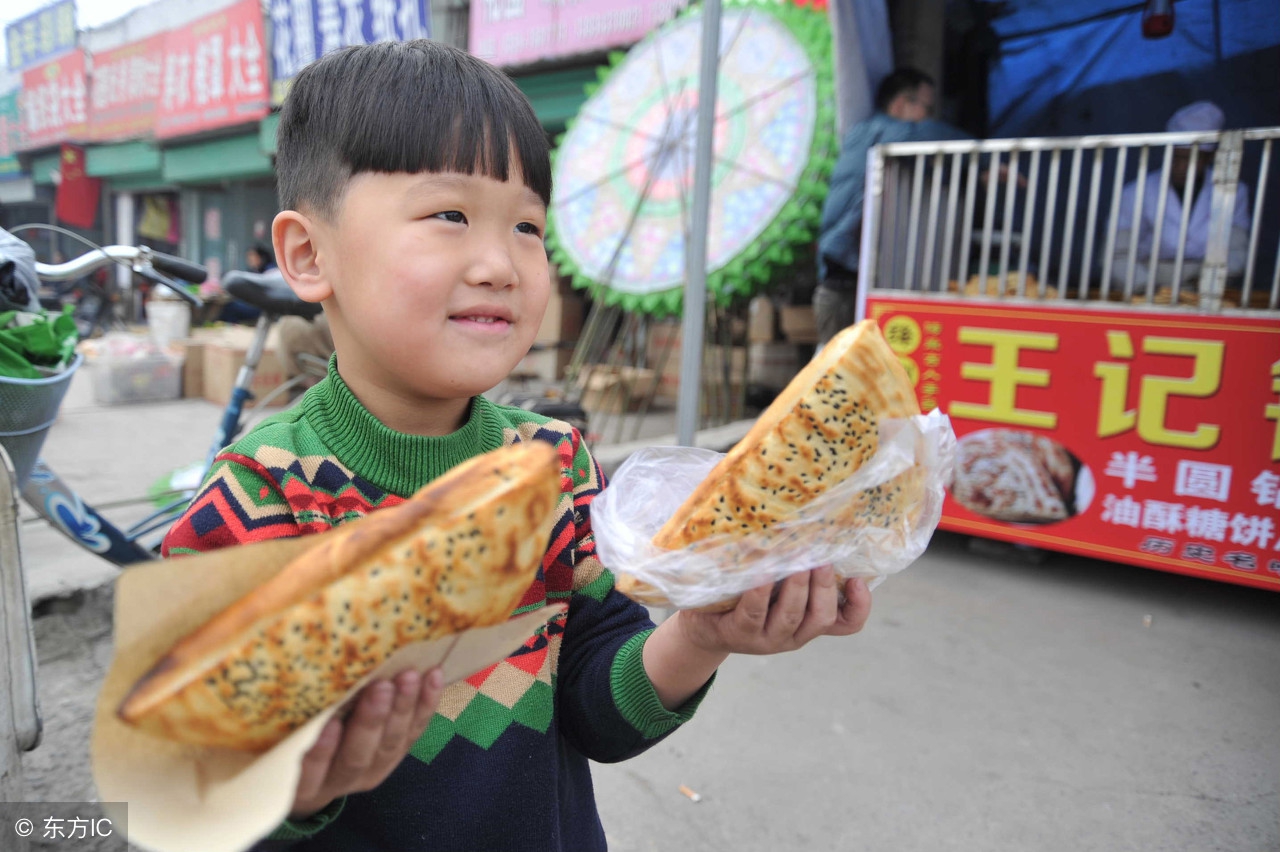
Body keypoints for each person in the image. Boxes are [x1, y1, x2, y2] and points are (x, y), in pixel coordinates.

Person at [161, 40, 872, 852]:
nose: (502, 263)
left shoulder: (556, 466)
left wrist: (699, 636)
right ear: (308, 254)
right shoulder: (257, 502)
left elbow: (595, 710)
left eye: (528, 225)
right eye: (450, 215)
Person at [813, 68, 970, 347]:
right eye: (926, 107)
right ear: (900, 104)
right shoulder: (880, 131)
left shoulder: (866, 135)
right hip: (843, 286)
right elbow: (927, 134)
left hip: (844, 282)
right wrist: (983, 158)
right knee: (836, 376)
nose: (928, 117)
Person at [1108, 101, 1252, 296]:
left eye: (1193, 158)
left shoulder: (1233, 192)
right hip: (1146, 281)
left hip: (1209, 287)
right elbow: (1118, 254)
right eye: (1177, 157)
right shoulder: (1136, 191)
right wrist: (1146, 289)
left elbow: (1236, 250)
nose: (1182, 167)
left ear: (1209, 157)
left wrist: (1207, 281)